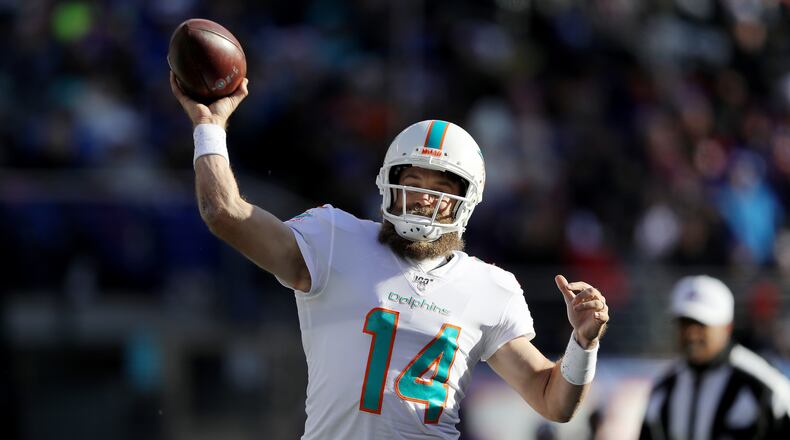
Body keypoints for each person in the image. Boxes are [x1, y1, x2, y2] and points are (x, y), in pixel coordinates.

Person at [170, 73, 610, 439]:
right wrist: (209, 127)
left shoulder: (489, 287)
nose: (423, 198)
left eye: (440, 189)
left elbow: (553, 401)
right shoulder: (334, 237)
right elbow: (224, 213)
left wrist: (583, 344)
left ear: (466, 202)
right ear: (389, 185)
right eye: (413, 182)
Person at [640, 275, 790, 440]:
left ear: (727, 327)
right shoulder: (665, 387)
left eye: (701, 325)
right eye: (684, 324)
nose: (691, 334)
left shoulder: (763, 384)